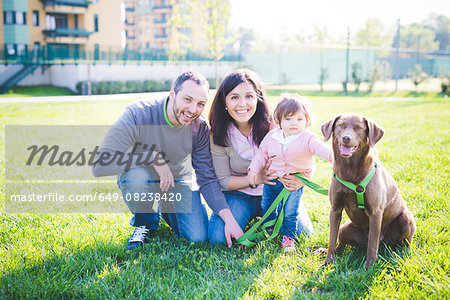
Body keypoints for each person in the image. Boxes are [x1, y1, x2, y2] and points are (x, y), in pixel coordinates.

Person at [92, 71, 243, 250]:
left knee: (197, 237)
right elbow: (101, 164)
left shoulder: (200, 127)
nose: (193, 110)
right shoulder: (139, 113)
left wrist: (228, 218)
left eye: (200, 104)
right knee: (137, 179)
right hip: (141, 174)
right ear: (172, 94)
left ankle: (166, 207)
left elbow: (207, 177)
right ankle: (145, 222)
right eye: (187, 99)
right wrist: (151, 157)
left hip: (177, 179)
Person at [207, 69, 313, 245]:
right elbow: (224, 181)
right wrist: (258, 178)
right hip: (239, 196)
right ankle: (255, 216)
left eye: (249, 96)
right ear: (224, 102)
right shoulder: (218, 134)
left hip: (276, 192)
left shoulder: (277, 125)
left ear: (258, 98)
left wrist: (302, 180)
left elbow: (306, 153)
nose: (243, 104)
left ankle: (274, 215)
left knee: (304, 235)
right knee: (217, 238)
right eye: (234, 97)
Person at [248, 93, 332, 252]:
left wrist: (332, 157)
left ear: (307, 121)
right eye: (288, 119)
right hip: (272, 181)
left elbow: (320, 148)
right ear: (278, 120)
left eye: (300, 119)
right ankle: (269, 230)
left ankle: (288, 239)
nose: (294, 123)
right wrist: (253, 169)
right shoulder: (273, 136)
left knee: (290, 212)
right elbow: (261, 153)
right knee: (267, 206)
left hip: (292, 185)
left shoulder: (308, 138)